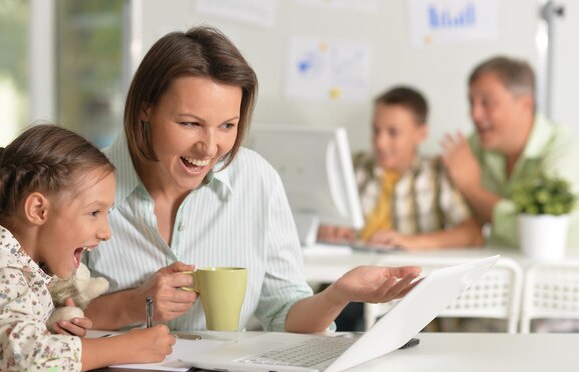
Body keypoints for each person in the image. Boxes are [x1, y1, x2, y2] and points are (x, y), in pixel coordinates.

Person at [82, 26, 421, 334]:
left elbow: (285, 313)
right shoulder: (80, 186)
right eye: (189, 123)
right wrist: (134, 303)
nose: (210, 146)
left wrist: (339, 293)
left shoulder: (256, 181)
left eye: (227, 125)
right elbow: (38, 320)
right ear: (146, 109)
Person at [0, 124, 176, 372]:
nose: (106, 232)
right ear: (38, 210)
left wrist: (47, 327)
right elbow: (26, 354)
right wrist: (126, 348)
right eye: (94, 212)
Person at [318, 86, 483, 250]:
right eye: (376, 130)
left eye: (393, 132)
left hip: (405, 271)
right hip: (349, 267)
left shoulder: (436, 174)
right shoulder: (351, 165)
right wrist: (326, 229)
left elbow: (473, 234)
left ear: (421, 134)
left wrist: (410, 242)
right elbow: (313, 218)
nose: (380, 142)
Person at [442, 56, 579, 247]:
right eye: (471, 102)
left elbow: (538, 233)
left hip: (558, 274)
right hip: (498, 270)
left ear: (525, 105)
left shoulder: (567, 150)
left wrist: (473, 189)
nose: (474, 114)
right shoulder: (475, 145)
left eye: (486, 102)